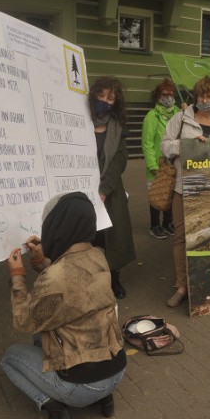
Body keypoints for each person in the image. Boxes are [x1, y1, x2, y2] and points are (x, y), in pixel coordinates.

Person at [0, 192, 126, 419]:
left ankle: (56, 411)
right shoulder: (99, 255)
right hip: (117, 372)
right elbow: (73, 284)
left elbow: (23, 321)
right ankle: (105, 399)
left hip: (81, 387)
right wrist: (43, 261)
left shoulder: (56, 276)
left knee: (10, 358)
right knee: (43, 333)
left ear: (58, 227)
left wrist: (17, 276)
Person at [160, 76, 210, 307]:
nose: (205, 99)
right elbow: (164, 146)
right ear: (196, 96)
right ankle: (182, 286)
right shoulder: (181, 119)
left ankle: (208, 280)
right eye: (202, 95)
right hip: (185, 189)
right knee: (182, 238)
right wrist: (185, 146)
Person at [89, 77, 135, 299]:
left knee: (112, 237)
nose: (105, 101)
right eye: (101, 95)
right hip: (82, 188)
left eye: (110, 97)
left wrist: (105, 188)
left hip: (111, 190)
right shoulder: (80, 121)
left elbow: (120, 159)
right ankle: (89, 280)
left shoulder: (117, 125)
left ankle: (114, 279)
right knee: (89, 237)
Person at [141, 78, 180, 239]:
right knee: (157, 195)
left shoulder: (179, 113)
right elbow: (147, 142)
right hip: (158, 165)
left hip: (174, 164)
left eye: (171, 94)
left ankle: (167, 223)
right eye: (164, 94)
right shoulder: (152, 116)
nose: (168, 97)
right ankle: (155, 225)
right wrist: (152, 165)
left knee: (170, 195)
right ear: (158, 96)